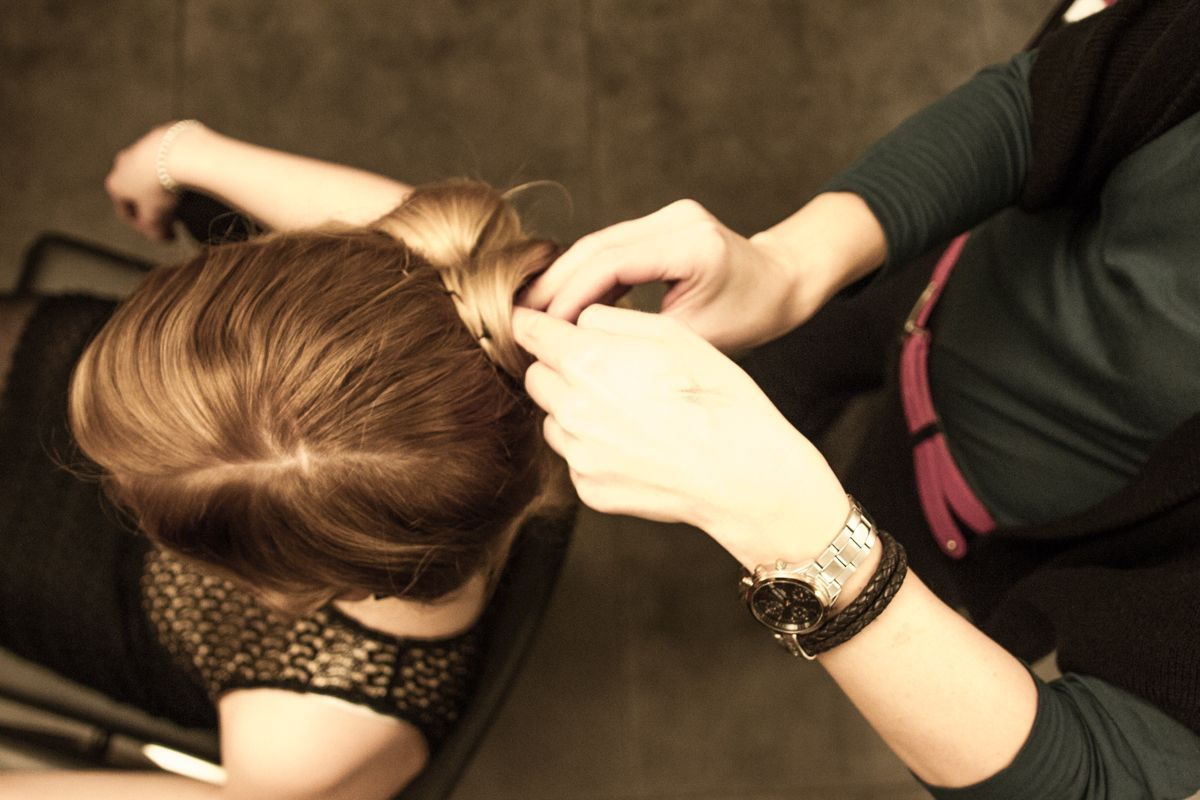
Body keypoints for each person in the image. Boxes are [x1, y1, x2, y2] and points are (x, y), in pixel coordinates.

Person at [515, 1, 1200, 798]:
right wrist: (787, 267)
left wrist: (808, 549)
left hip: (975, 529)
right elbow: (1053, 100)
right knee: (783, 370)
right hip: (925, 280)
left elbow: (1096, 773)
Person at [0, 121, 569, 799]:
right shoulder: (429, 284)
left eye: (132, 492)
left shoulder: (311, 746)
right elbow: (398, 228)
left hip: (84, 592)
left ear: (286, 587)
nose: (104, 477)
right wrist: (174, 152)